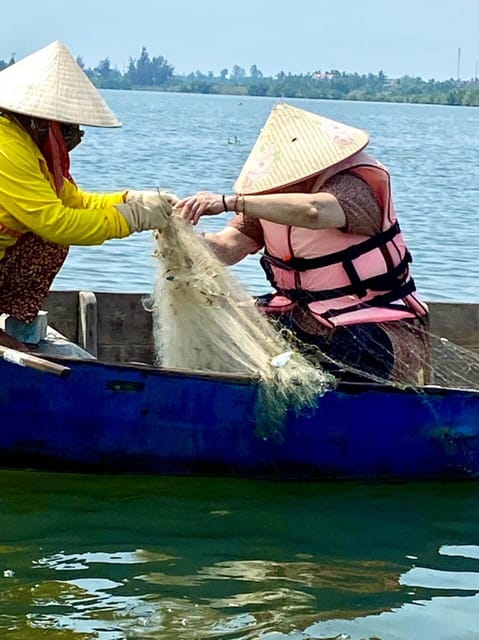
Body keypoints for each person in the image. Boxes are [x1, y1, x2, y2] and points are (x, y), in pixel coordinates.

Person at [176, 103, 429, 384]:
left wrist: (227, 202)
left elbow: (315, 211)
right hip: (299, 313)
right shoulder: (269, 196)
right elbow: (229, 245)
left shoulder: (353, 185)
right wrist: (181, 238)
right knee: (233, 331)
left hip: (373, 321)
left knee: (357, 348)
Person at [0, 41, 177, 350]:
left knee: (49, 241)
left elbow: (75, 202)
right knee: (52, 235)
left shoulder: (24, 144)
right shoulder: (6, 145)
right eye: (65, 128)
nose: (71, 138)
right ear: (39, 119)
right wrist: (132, 219)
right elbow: (55, 222)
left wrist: (131, 200)